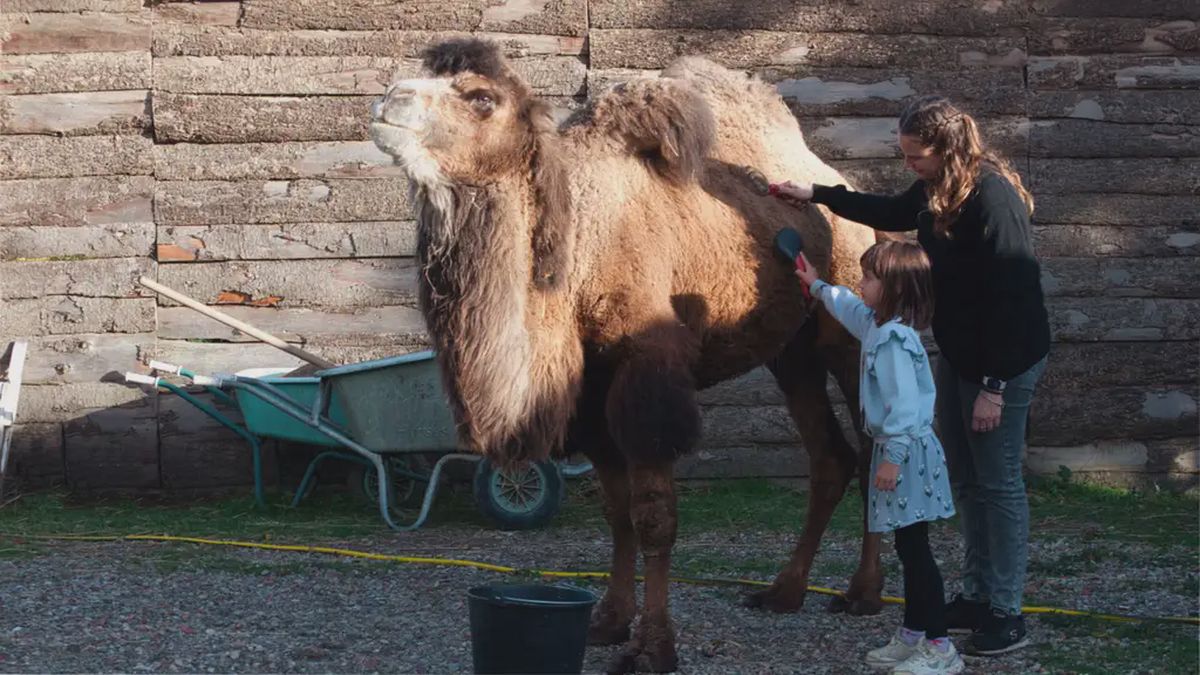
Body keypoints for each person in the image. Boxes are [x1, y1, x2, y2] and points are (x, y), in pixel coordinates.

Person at [777, 95, 1050, 656]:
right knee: (968, 481)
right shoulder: (935, 191)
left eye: (914, 156)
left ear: (946, 149)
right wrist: (818, 196)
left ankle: (1006, 612)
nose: (909, 166)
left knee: (997, 485)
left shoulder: (992, 197)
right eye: (903, 156)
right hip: (962, 355)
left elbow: (1015, 297)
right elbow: (890, 213)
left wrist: (995, 388)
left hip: (1005, 360)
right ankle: (974, 595)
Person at [795, 240, 962, 674]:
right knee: (908, 547)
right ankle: (911, 636)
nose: (861, 283)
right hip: (897, 452)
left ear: (895, 289)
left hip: (904, 454)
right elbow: (851, 309)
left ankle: (941, 648)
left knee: (917, 551)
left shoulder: (892, 342)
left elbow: (904, 406)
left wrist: (892, 459)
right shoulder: (878, 325)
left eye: (869, 278)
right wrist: (817, 287)